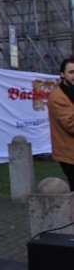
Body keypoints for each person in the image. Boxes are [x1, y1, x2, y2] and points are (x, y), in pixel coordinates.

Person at [46, 57, 74, 190]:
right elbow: (71, 124)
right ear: (62, 75)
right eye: (71, 72)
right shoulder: (58, 97)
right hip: (70, 155)